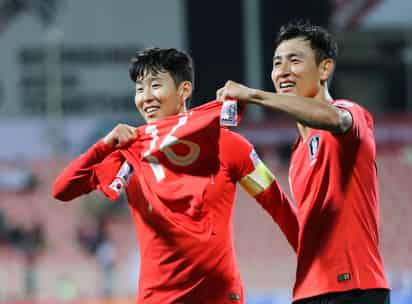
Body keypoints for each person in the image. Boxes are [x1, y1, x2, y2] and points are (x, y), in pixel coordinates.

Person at [52, 47, 299, 304]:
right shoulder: (128, 152)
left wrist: (316, 269)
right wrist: (102, 147)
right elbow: (62, 190)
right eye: (139, 89)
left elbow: (280, 207)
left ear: (184, 90)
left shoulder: (230, 146)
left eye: (155, 85)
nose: (146, 97)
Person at [216, 21, 390, 304]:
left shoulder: (350, 115)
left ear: (324, 69)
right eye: (277, 63)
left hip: (354, 287)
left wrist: (255, 95)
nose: (282, 71)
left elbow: (336, 119)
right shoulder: (298, 154)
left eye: (294, 60)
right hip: (308, 292)